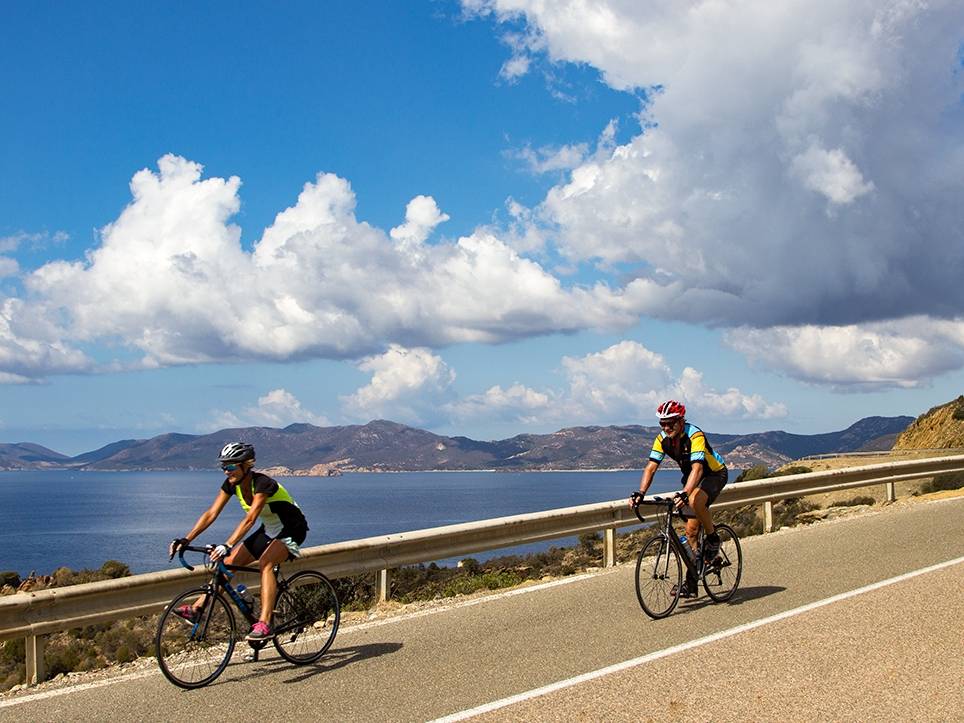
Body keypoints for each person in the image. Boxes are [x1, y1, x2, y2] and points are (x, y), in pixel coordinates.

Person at [168, 442, 309, 640]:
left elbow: (250, 519)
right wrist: (186, 538)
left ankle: (265, 623)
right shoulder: (232, 485)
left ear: (246, 465)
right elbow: (211, 513)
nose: (226, 471)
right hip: (269, 530)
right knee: (228, 564)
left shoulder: (263, 484)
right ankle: (197, 608)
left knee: (266, 563)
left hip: (293, 529)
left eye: (231, 466)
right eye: (224, 467)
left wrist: (228, 545)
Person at [632, 400, 728, 598]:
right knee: (691, 532)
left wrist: (685, 492)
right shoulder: (662, 439)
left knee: (694, 501)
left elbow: (698, 468)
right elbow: (651, 467)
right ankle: (691, 584)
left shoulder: (695, 435)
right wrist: (640, 492)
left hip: (713, 474)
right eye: (662, 424)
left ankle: (712, 539)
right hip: (692, 478)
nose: (666, 427)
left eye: (671, 423)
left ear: (681, 421)